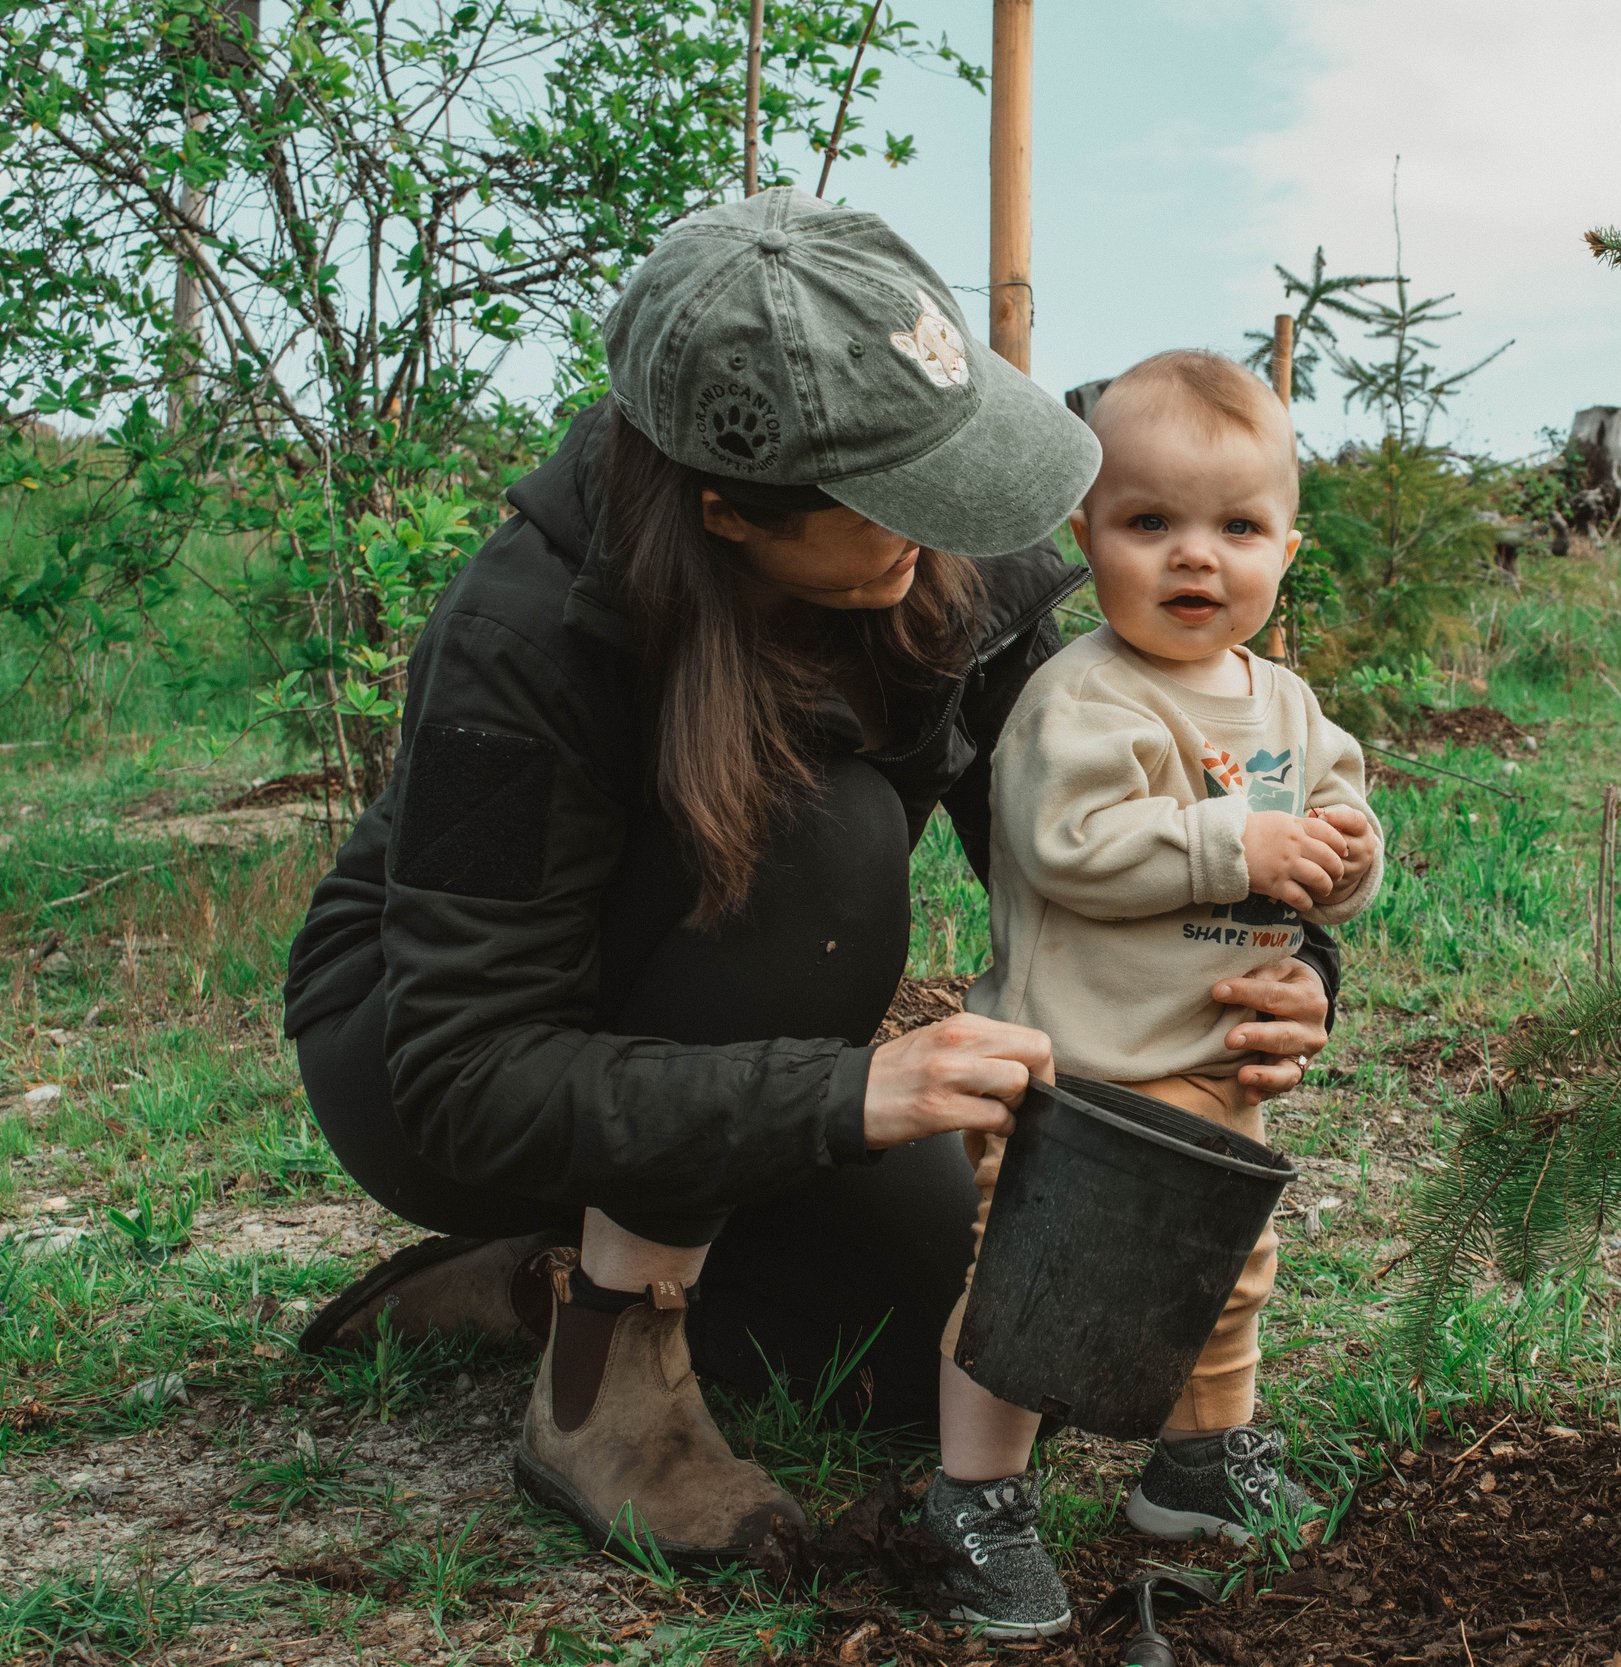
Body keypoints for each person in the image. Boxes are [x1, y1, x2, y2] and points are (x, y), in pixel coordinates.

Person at [281, 191, 1340, 1569]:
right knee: (823, 839)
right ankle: (610, 1363)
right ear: (729, 511)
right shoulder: (522, 645)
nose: (952, 524)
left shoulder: (950, 533)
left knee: (959, 1352)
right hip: (440, 1056)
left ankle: (531, 1282)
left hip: (739, 1020)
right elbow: (464, 1070)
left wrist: (1284, 959)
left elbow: (1076, 829)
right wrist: (851, 1091)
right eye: (902, 496)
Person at [923, 351, 1384, 1638]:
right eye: (1150, 523)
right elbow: (1070, 843)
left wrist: (1342, 856)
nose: (1196, 558)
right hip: (1073, 1066)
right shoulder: (1081, 696)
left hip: (1215, 1056)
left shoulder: (1283, 700)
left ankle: (1197, 1464)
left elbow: (1334, 823)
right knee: (1032, 1282)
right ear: (1087, 538)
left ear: (1288, 545)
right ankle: (977, 1493)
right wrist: (1235, 843)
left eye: (1236, 526)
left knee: (1226, 1265)